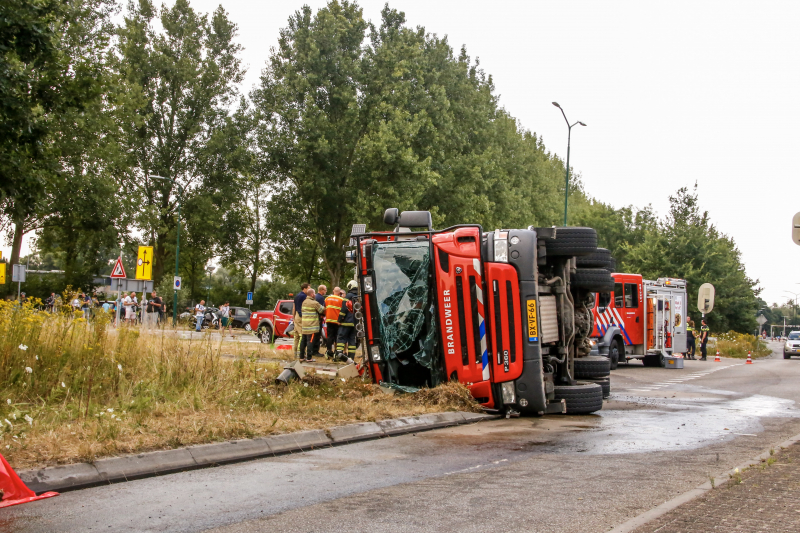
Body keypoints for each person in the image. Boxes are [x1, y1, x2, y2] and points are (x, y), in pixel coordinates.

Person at [336, 280, 359, 363]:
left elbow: (344, 309)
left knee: (341, 338)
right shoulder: (359, 296)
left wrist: (339, 319)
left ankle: (339, 355)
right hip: (355, 323)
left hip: (346, 322)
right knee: (352, 340)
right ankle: (351, 357)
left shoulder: (348, 296)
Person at [299, 289, 325, 362]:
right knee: (310, 342)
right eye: (314, 293)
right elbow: (322, 310)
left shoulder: (304, 302)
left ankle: (301, 357)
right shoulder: (314, 303)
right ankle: (309, 358)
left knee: (303, 341)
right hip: (312, 326)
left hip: (304, 326)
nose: (315, 295)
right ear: (312, 294)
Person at [324, 287, 344, 359]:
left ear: (333, 291)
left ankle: (329, 351)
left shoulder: (327, 299)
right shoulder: (341, 300)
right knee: (337, 337)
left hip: (329, 320)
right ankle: (336, 352)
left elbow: (324, 308)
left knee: (329, 336)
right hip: (337, 321)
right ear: (339, 292)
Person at [293, 283, 310, 359]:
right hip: (301, 316)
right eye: (309, 288)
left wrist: (293, 318)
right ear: (305, 289)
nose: (309, 290)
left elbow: (294, 307)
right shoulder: (304, 296)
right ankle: (301, 354)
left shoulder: (297, 296)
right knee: (302, 335)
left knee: (296, 336)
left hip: (296, 316)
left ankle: (295, 353)